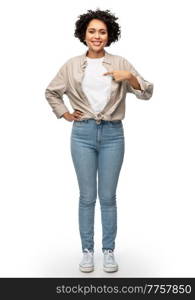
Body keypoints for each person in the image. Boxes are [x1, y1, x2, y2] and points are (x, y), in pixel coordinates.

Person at [45, 8, 153, 273]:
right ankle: (86, 251)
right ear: (83, 34)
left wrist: (130, 77)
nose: (97, 36)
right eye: (92, 31)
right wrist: (65, 113)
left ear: (109, 35)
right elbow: (51, 92)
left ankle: (108, 251)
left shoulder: (121, 63)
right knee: (86, 197)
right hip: (82, 134)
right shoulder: (71, 65)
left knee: (107, 197)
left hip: (113, 135)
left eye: (102, 32)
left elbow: (147, 92)